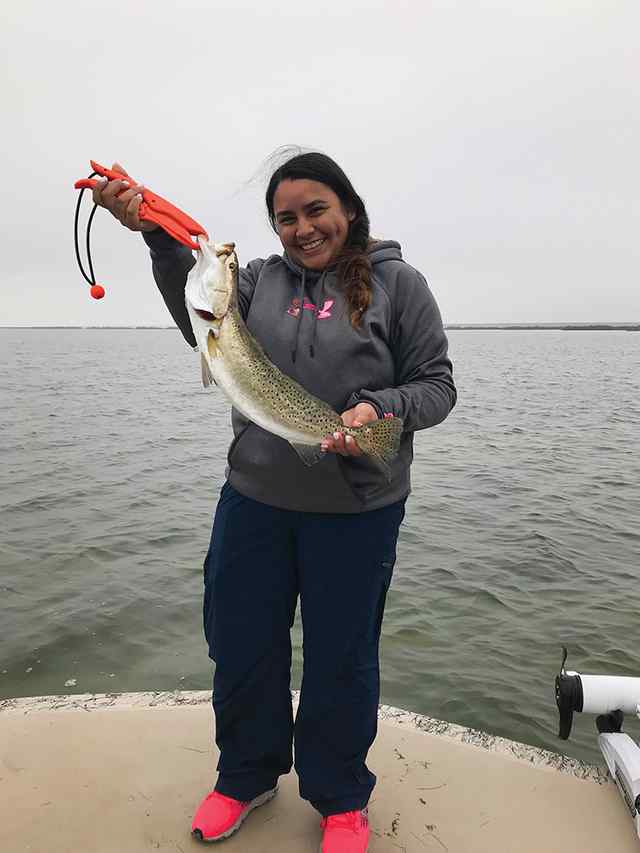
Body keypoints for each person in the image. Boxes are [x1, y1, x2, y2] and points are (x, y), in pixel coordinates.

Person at [93, 151, 457, 853]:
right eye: (286, 218)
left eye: (316, 210)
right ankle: (245, 776)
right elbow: (201, 320)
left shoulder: (400, 284)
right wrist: (158, 237)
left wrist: (377, 410)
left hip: (356, 511)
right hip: (255, 500)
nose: (303, 228)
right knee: (240, 644)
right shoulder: (255, 282)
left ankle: (340, 796)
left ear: (349, 209)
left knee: (342, 658)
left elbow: (437, 385)